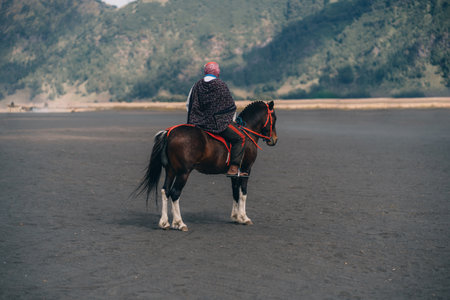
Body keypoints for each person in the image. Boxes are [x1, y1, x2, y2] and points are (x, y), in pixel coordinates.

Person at [186, 62, 247, 177]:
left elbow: (188, 105)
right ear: (216, 72)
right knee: (240, 138)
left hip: (198, 124)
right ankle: (233, 169)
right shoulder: (221, 85)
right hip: (218, 124)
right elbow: (230, 106)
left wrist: (198, 118)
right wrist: (231, 120)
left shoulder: (196, 85)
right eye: (218, 70)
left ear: (205, 72)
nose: (219, 71)